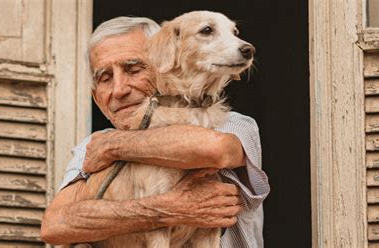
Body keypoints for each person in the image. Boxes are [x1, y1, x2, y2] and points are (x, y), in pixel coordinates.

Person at [40, 16, 270, 248]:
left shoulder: (231, 123)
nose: (119, 90)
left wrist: (113, 147)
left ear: (167, 64)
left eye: (134, 69)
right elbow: (56, 224)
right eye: (105, 78)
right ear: (96, 98)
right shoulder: (91, 145)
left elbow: (215, 150)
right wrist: (166, 209)